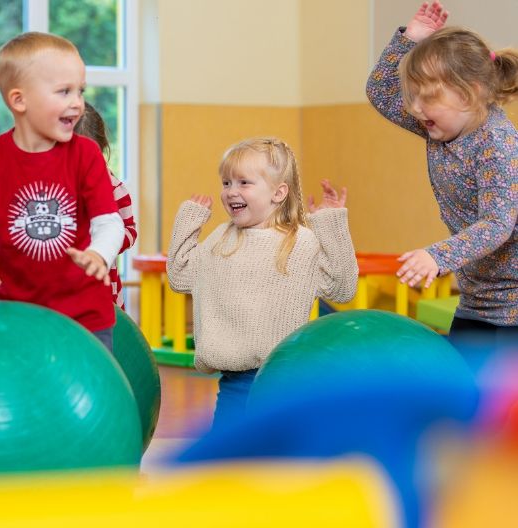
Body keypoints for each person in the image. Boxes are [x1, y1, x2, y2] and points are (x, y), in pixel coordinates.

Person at [0, 32, 125, 351]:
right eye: (64, 91)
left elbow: (110, 223)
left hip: (86, 320)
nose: (78, 103)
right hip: (19, 319)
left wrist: (100, 253)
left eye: (80, 91)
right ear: (19, 100)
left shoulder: (86, 154)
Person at [166, 137, 358, 431]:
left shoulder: (300, 242)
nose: (231, 192)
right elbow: (180, 277)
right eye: (227, 183)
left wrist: (331, 223)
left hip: (284, 381)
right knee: (229, 465)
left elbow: (342, 288)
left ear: (279, 192)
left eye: (244, 183)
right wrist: (188, 222)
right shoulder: (221, 238)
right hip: (234, 382)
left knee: (277, 466)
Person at [366, 1, 518, 347]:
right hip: (477, 302)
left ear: (470, 93)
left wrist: (438, 255)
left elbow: (498, 223)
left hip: (513, 309)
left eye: (427, 98)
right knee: (467, 395)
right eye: (413, 96)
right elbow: (380, 92)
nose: (415, 109)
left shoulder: (498, 144)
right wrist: (409, 40)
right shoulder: (443, 128)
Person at [74, 101, 138, 310]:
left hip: (103, 288)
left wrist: (103, 245)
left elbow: (130, 231)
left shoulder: (114, 188)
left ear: (102, 150)